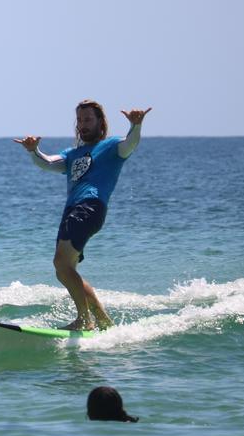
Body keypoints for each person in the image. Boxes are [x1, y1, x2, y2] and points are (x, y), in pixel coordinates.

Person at [15, 100, 151, 331]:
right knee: (65, 269)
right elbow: (48, 163)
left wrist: (135, 125)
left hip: (90, 206)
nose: (83, 124)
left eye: (88, 119)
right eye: (79, 120)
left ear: (100, 122)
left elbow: (130, 144)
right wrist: (33, 150)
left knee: (61, 264)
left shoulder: (111, 147)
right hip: (73, 211)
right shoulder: (71, 154)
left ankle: (84, 320)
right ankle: (102, 320)